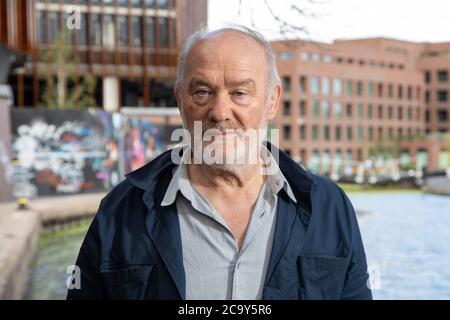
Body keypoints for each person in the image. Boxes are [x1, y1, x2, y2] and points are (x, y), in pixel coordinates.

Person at [67, 25, 372, 300]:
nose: (219, 112)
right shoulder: (122, 210)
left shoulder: (329, 208)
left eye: (240, 93)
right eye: (202, 92)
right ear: (180, 100)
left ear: (272, 101)